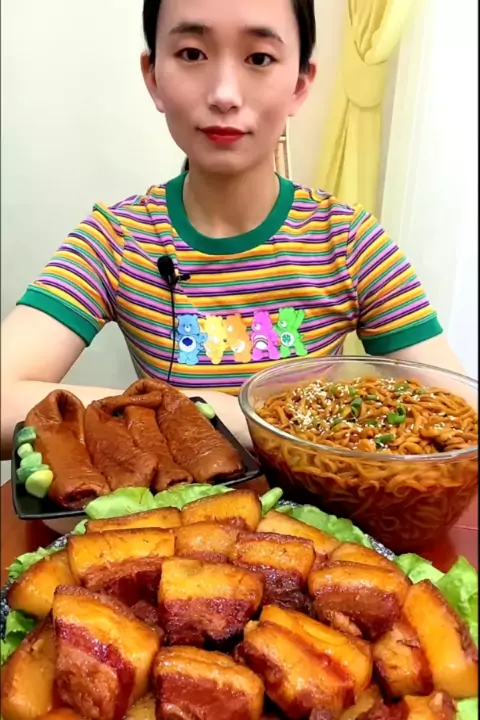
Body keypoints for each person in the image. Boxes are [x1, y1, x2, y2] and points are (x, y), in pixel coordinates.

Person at [1, 0, 465, 458]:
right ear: (153, 76)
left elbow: (461, 416)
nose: (224, 93)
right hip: (181, 500)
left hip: (319, 501)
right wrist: (205, 412)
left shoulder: (346, 241)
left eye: (259, 58)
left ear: (300, 84)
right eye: (192, 54)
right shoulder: (119, 238)